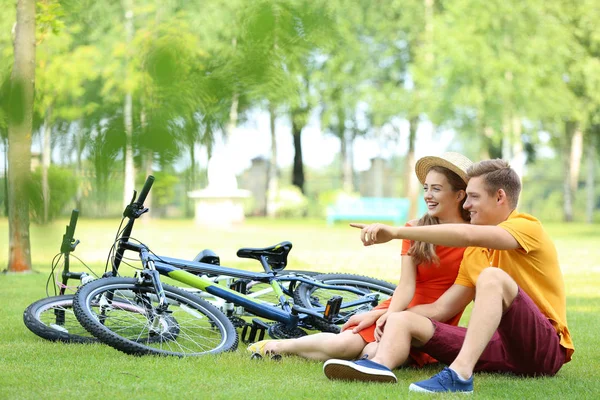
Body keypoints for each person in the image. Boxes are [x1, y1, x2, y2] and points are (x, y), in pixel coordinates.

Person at [323, 159, 574, 394]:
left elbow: (466, 235)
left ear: (500, 197)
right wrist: (387, 315)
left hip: (542, 350)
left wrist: (399, 232)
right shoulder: (474, 252)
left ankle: (460, 375)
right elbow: (442, 308)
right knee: (403, 319)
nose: (466, 205)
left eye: (473, 197)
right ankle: (378, 365)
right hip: (497, 346)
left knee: (491, 277)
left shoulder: (527, 227)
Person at [247, 152, 473, 363]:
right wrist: (386, 315)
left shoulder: (477, 240)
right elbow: (405, 286)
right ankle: (285, 345)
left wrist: (387, 318)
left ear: (459, 194)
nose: (428, 196)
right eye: (426, 188)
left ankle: (367, 358)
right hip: (399, 308)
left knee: (372, 351)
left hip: (429, 320)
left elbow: (444, 308)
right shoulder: (414, 229)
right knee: (344, 344)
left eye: (436, 189)